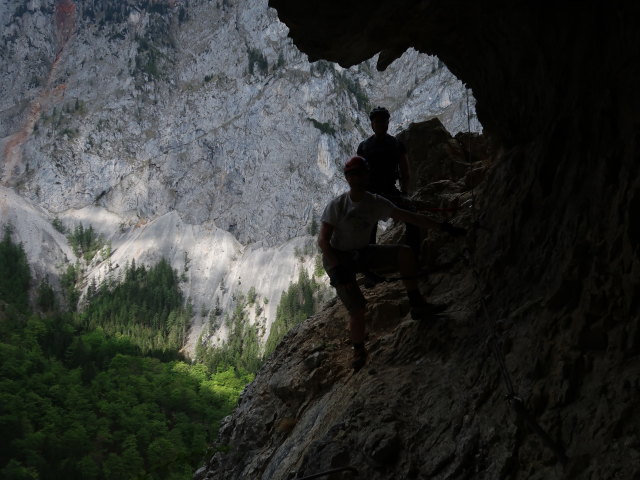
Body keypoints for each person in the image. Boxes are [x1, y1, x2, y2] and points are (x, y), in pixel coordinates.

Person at [318, 156, 463, 371]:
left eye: (360, 174)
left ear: (366, 176)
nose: (357, 178)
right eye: (353, 174)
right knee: (357, 309)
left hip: (361, 253)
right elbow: (323, 240)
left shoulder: (375, 202)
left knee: (404, 253)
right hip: (338, 259)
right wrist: (338, 270)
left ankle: (417, 303)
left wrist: (443, 227)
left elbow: (410, 217)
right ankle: (358, 350)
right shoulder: (337, 205)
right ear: (348, 178)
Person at [356, 106, 421, 257]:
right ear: (372, 124)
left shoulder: (367, 146)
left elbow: (405, 171)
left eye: (383, 121)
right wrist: (404, 192)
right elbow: (405, 171)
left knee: (369, 228)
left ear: (387, 123)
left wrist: (404, 191)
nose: (380, 124)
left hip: (380, 192)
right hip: (376, 193)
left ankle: (412, 257)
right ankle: (413, 256)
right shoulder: (394, 144)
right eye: (378, 122)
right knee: (410, 217)